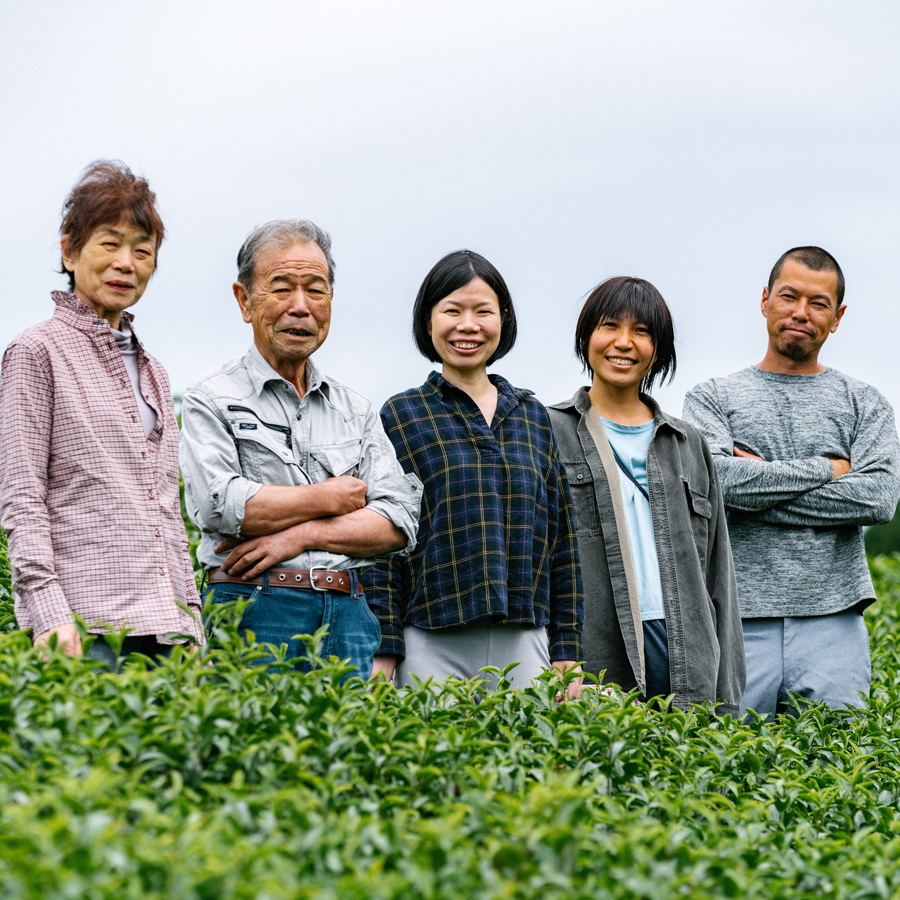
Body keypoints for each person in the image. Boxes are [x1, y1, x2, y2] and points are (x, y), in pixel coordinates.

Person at [179, 219, 421, 681]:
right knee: (251, 747)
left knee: (348, 751)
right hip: (254, 606)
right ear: (244, 300)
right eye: (282, 288)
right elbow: (221, 504)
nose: (300, 307)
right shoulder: (212, 397)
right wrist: (328, 499)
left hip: (348, 613)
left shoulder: (356, 409)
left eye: (316, 290)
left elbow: (399, 521)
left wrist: (299, 535)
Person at [0, 160, 204, 668]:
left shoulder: (153, 368)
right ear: (70, 251)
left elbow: (166, 512)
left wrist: (191, 618)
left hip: (164, 630)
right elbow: (22, 496)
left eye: (142, 250)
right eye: (109, 244)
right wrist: (48, 613)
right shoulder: (35, 351)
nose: (126, 263)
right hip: (82, 630)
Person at [683, 247, 900, 718]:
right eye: (789, 296)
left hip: (834, 624)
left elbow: (879, 497)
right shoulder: (713, 397)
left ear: (837, 317)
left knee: (839, 767)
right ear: (765, 300)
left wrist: (755, 483)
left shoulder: (865, 402)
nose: (801, 312)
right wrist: (828, 468)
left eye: (819, 303)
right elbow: (716, 482)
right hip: (736, 621)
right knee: (727, 771)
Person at [364, 250, 584, 698]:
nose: (468, 325)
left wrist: (567, 650)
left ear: (503, 321)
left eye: (483, 311)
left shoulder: (533, 416)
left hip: (525, 638)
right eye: (452, 310)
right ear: (428, 321)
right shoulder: (401, 415)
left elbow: (562, 542)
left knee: (533, 765)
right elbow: (383, 546)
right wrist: (384, 647)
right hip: (428, 637)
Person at [547, 277, 745, 714]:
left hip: (685, 646)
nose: (624, 342)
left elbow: (718, 571)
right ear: (587, 337)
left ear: (659, 349)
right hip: (594, 646)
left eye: (642, 332)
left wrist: (728, 695)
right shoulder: (547, 431)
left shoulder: (686, 442)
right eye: (610, 326)